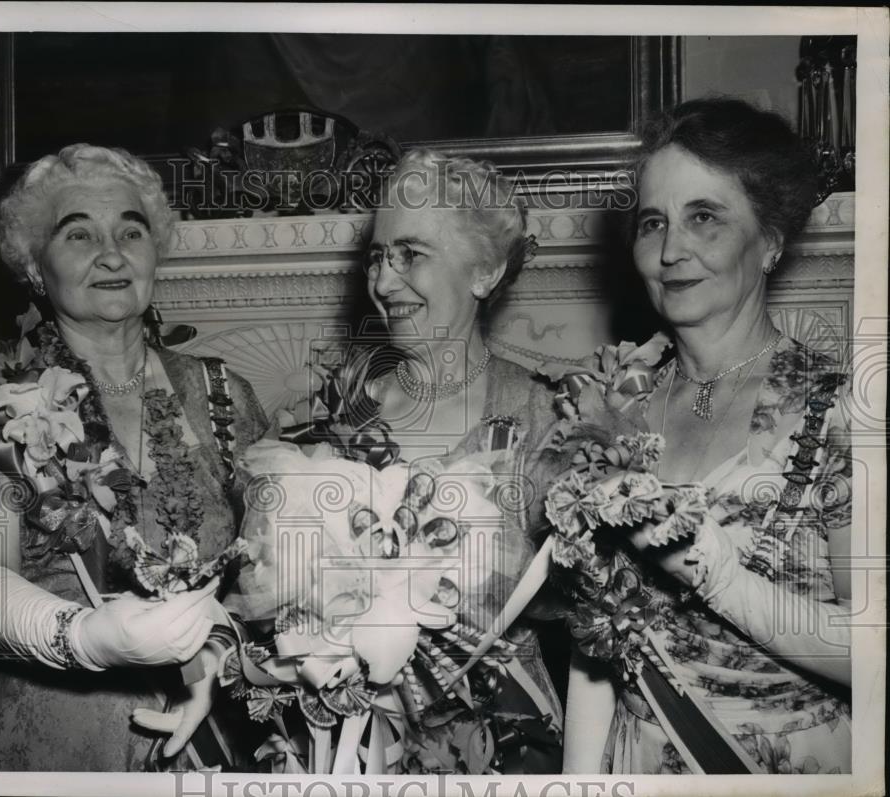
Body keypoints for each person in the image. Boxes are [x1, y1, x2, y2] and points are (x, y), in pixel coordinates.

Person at [0, 144, 269, 771]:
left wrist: (227, 641)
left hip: (218, 724)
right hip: (49, 738)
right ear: (34, 265)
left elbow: (266, 572)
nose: (112, 254)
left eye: (130, 231)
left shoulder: (225, 393)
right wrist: (87, 639)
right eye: (78, 233)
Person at [561, 98, 852, 774]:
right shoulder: (614, 401)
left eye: (705, 217)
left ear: (771, 239)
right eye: (652, 222)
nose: (669, 251)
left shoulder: (835, 410)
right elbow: (596, 640)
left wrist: (716, 571)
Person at [358, 148, 566, 770]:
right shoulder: (341, 417)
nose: (385, 282)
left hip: (504, 741)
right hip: (360, 739)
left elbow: (586, 608)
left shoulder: (544, 417)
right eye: (377, 257)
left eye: (411, 256)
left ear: (484, 271)